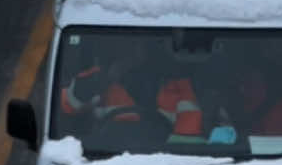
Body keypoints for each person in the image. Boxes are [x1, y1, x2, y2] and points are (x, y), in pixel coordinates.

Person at [61, 47, 205, 138]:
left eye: (140, 45)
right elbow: (68, 107)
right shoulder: (95, 78)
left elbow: (187, 139)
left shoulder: (178, 86)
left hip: (158, 162)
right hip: (103, 158)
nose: (132, 52)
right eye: (127, 45)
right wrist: (106, 79)